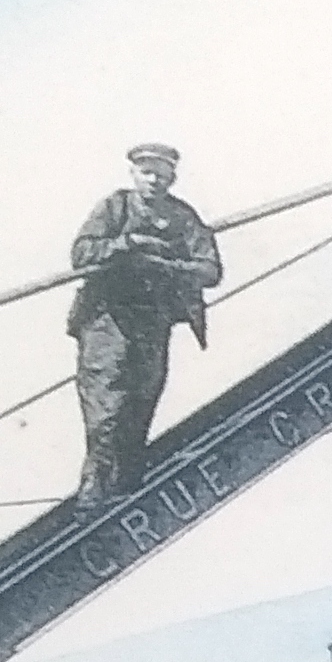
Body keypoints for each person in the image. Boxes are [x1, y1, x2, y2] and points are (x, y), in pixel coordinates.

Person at [66, 142, 222, 504]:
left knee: (142, 398)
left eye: (162, 175)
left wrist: (164, 265)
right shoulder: (114, 207)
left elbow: (209, 269)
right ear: (134, 174)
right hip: (108, 320)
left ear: (172, 178)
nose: (154, 180)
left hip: (153, 320)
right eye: (147, 173)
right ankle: (95, 486)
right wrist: (127, 245)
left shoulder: (183, 217)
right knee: (106, 404)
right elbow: (82, 253)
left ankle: (127, 481)